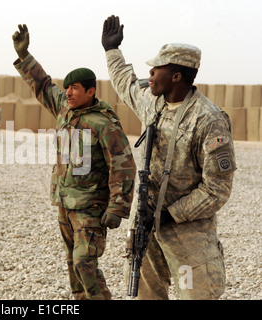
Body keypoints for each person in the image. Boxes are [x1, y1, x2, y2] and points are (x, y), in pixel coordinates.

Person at [102, 14, 236, 299]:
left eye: (156, 70)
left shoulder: (208, 121)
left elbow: (217, 189)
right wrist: (112, 51)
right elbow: (125, 82)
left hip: (187, 233)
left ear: (176, 76)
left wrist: (170, 214)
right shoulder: (152, 102)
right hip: (146, 229)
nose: (149, 75)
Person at [12, 24, 136, 300]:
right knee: (73, 266)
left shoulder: (104, 123)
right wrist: (25, 56)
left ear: (91, 91)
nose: (67, 92)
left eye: (75, 88)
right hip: (65, 204)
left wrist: (117, 206)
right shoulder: (64, 111)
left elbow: (124, 166)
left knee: (85, 263)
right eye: (66, 88)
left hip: (90, 208)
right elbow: (43, 86)